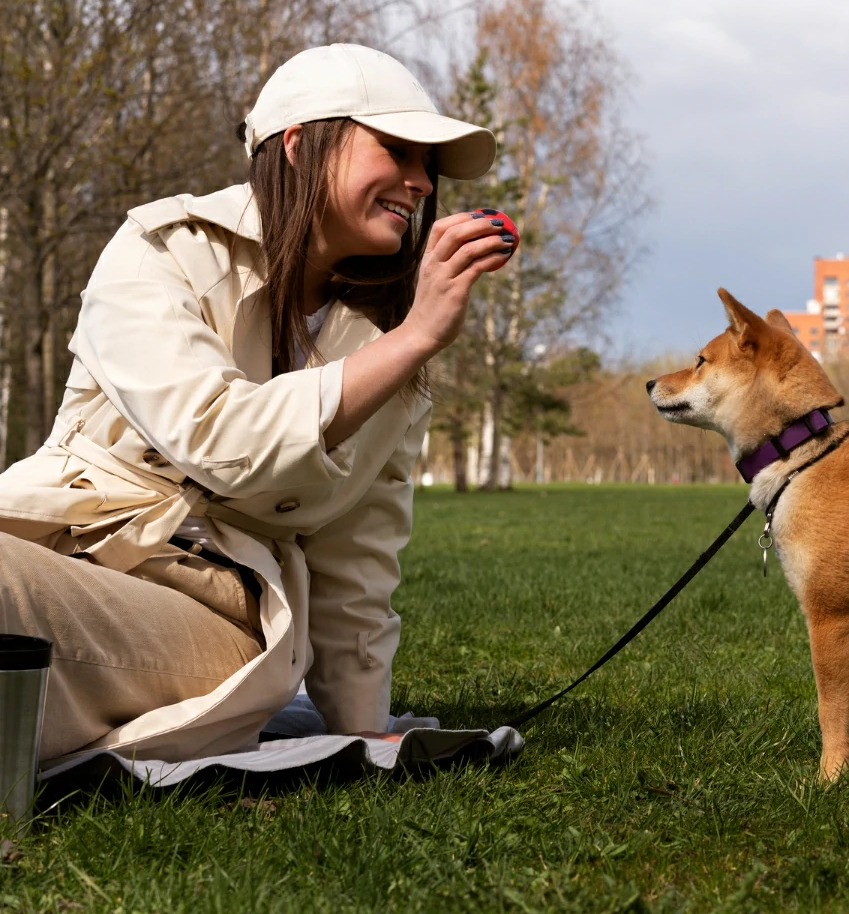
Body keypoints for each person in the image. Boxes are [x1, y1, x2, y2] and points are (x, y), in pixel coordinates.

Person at [0, 44, 515, 763]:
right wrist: (411, 340)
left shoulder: (392, 345)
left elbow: (357, 555)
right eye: (398, 150)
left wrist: (362, 726)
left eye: (429, 165)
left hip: (211, 607)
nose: (421, 182)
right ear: (300, 146)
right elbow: (217, 431)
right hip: (52, 548)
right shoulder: (161, 250)